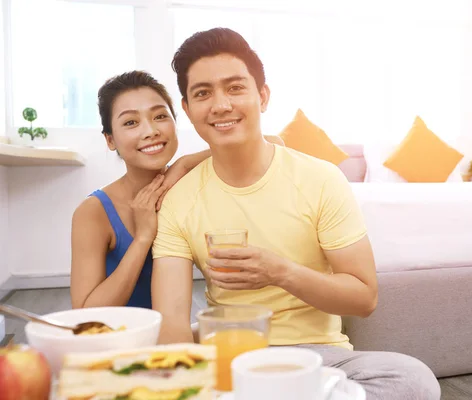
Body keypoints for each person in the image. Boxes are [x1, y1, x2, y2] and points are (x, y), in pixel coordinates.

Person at [151, 28, 441, 399]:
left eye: (235, 88)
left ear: (263, 96)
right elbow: (173, 324)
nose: (220, 105)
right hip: (232, 359)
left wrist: (279, 272)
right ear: (188, 110)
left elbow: (364, 298)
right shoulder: (180, 200)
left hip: (319, 360)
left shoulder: (320, 179)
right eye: (203, 93)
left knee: (413, 380)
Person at [70, 70, 282, 310]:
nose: (150, 131)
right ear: (110, 140)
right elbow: (85, 314)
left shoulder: (187, 178)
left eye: (160, 116)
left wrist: (184, 163)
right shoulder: (94, 212)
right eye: (130, 122)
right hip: (119, 342)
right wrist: (142, 238)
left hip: (174, 335)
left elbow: (275, 142)